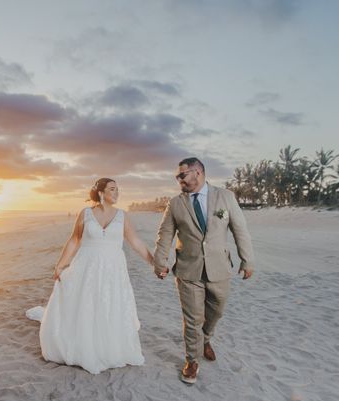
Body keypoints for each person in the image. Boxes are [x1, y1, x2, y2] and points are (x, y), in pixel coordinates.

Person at [27, 178, 153, 374]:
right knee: (87, 303)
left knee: (108, 304)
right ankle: (84, 344)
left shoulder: (122, 216)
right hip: (86, 267)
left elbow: (136, 242)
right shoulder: (85, 214)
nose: (117, 193)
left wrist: (153, 262)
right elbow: (75, 240)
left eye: (118, 189)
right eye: (112, 189)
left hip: (113, 270)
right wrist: (60, 265)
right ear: (101, 192)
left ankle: (107, 346)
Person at [153, 157, 255, 384]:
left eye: (182, 175)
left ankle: (205, 338)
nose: (178, 180)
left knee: (216, 312)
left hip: (220, 268)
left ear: (197, 172)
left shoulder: (225, 197)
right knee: (192, 319)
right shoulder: (175, 204)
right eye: (177, 176)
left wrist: (247, 261)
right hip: (188, 270)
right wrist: (160, 262)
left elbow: (240, 230)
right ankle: (192, 360)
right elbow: (165, 235)